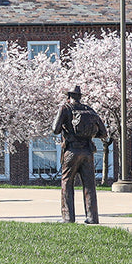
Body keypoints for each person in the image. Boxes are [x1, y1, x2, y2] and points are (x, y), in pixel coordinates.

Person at [51, 85, 107, 224]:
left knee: (67, 182)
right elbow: (104, 133)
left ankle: (68, 217)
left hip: (72, 151)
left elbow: (55, 129)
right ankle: (92, 217)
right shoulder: (89, 110)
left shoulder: (65, 108)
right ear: (80, 96)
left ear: (69, 96)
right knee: (89, 185)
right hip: (87, 152)